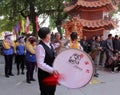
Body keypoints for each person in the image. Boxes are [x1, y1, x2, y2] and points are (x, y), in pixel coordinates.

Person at [36, 27, 59, 95]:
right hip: (44, 74)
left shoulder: (50, 45)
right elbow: (40, 64)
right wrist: (52, 70)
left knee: (52, 91)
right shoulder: (40, 47)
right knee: (45, 92)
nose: (50, 35)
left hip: (52, 74)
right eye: (49, 34)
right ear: (45, 35)